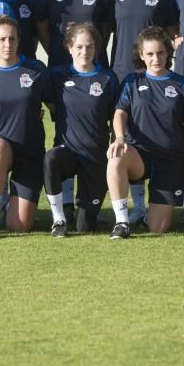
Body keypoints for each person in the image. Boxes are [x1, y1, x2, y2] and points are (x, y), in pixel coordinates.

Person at [108, 0, 178, 225]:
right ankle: (135, 207)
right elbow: (101, 33)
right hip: (122, 75)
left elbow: (174, 31)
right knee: (124, 138)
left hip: (155, 75)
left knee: (160, 133)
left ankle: (177, 199)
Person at [106, 26, 184, 238]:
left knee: (157, 228)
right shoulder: (132, 81)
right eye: (149, 54)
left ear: (168, 52)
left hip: (170, 160)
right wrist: (119, 138)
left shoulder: (182, 84)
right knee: (116, 156)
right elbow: (120, 113)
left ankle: (148, 213)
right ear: (141, 55)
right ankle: (122, 222)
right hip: (140, 155)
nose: (155, 58)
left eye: (160, 53)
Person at [0, 16, 53, 238]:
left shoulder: (36, 70)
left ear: (19, 41)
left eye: (12, 39)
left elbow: (54, 104)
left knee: (19, 225)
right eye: (2, 39)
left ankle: (6, 201)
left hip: (30, 151)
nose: (7, 44)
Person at [44, 22, 119, 237]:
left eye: (89, 46)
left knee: (85, 227)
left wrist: (116, 141)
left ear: (96, 48)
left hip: (95, 156)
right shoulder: (57, 76)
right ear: (69, 47)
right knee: (51, 158)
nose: (84, 52)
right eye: (79, 47)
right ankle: (58, 219)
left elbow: (116, 115)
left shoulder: (107, 78)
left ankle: (84, 211)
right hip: (67, 151)